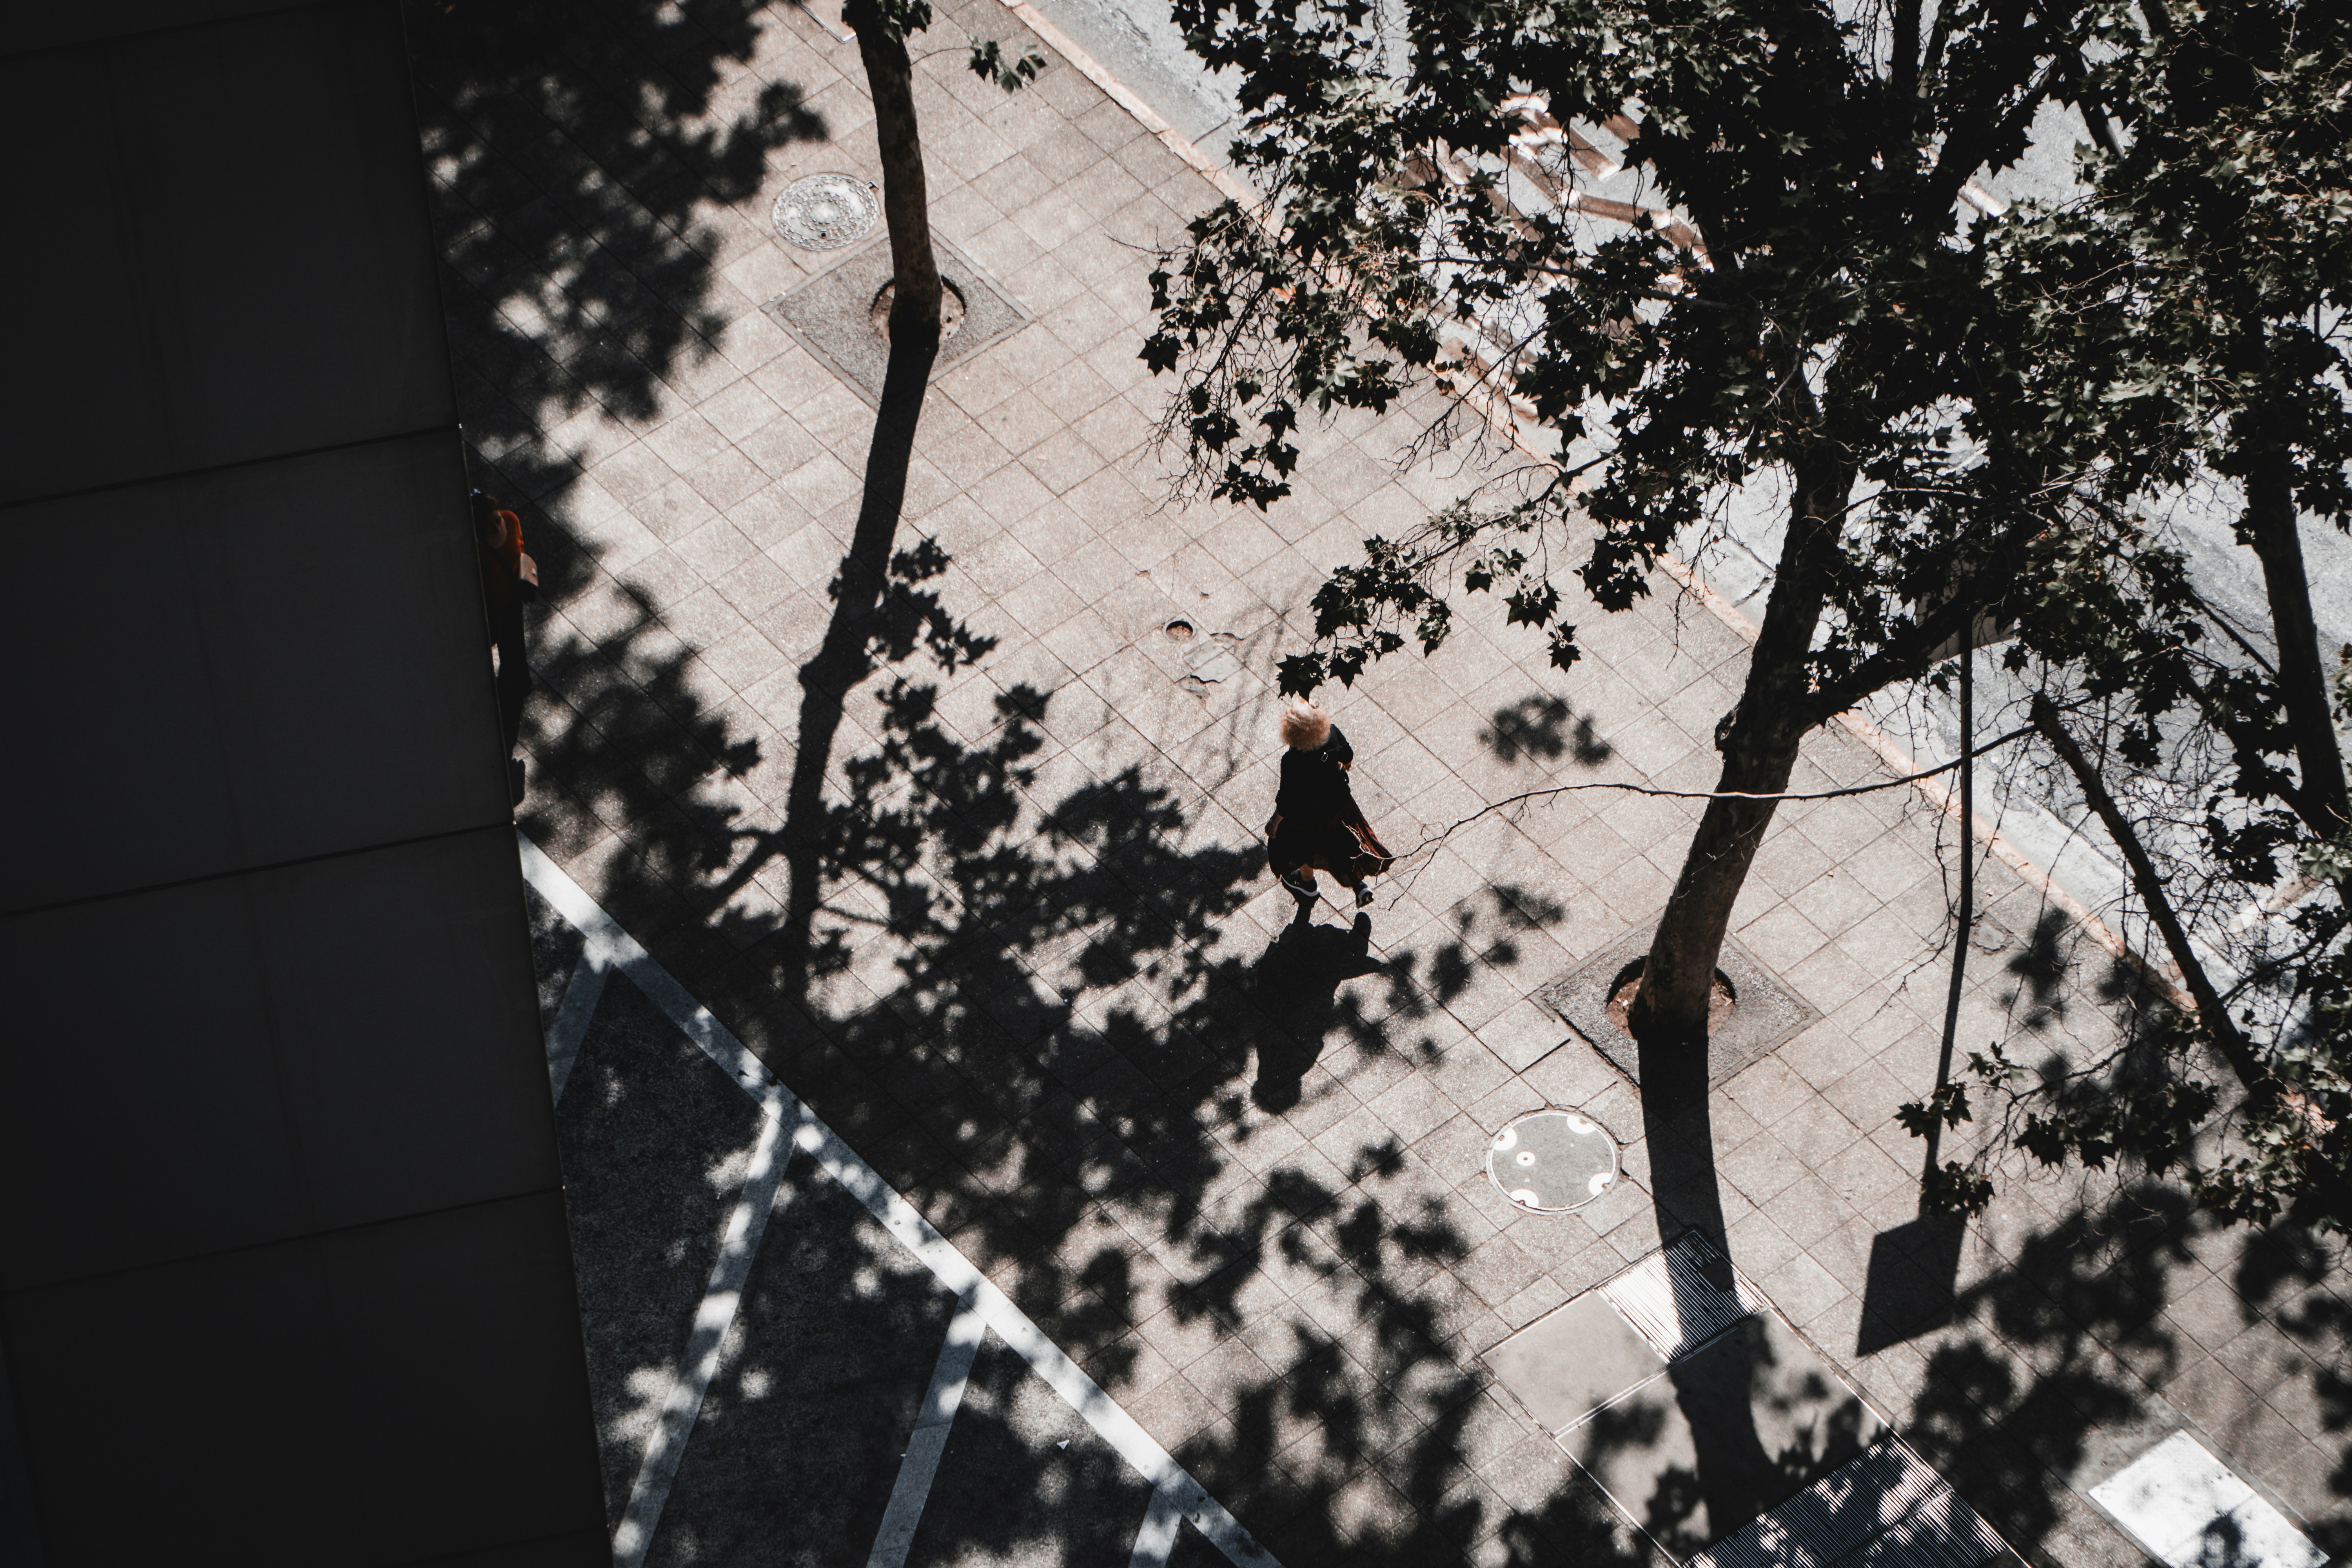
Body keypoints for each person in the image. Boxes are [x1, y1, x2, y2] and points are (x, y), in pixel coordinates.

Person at [1265, 700, 1394, 911]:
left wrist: (1274, 822)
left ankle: (1307, 885)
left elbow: (1288, 799)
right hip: (1338, 805)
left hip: (1308, 816)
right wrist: (1345, 764)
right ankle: (1360, 886)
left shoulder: (1292, 761)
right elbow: (1347, 753)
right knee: (1344, 842)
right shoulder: (1331, 734)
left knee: (1300, 846)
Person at [470, 490, 539, 804]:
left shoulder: (495, 533)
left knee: (512, 646)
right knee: (511, 645)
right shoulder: (499, 530)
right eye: (490, 525)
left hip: (505, 604)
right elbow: (519, 550)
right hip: (502, 604)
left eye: (497, 521)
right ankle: (514, 681)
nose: (497, 527)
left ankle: (514, 680)